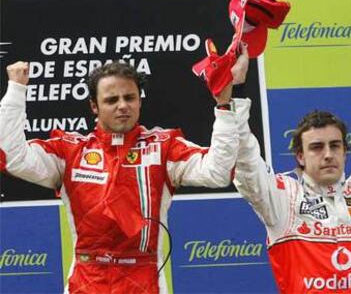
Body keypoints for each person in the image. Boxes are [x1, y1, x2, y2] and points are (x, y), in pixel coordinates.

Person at [0, 47, 248, 294]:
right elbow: (10, 157)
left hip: (144, 281)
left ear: (139, 100)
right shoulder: (69, 151)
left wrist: (226, 104)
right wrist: (15, 92)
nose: (122, 106)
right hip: (86, 282)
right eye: (111, 100)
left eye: (129, 98)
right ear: (94, 106)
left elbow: (218, 171)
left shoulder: (163, 146)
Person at [234, 108, 351, 293]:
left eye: (335, 146)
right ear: (301, 157)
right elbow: (247, 167)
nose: (328, 154)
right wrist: (232, 103)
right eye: (317, 147)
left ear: (345, 153)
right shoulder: (284, 198)